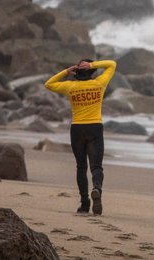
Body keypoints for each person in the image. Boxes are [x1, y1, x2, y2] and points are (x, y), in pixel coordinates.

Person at [44, 59, 116, 215]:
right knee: (96, 166)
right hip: (95, 128)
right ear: (91, 72)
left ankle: (84, 204)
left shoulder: (70, 87)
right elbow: (112, 64)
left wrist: (66, 71)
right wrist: (92, 65)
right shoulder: (99, 84)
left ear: (76, 72)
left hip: (77, 129)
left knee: (81, 167)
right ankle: (96, 189)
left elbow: (48, 84)